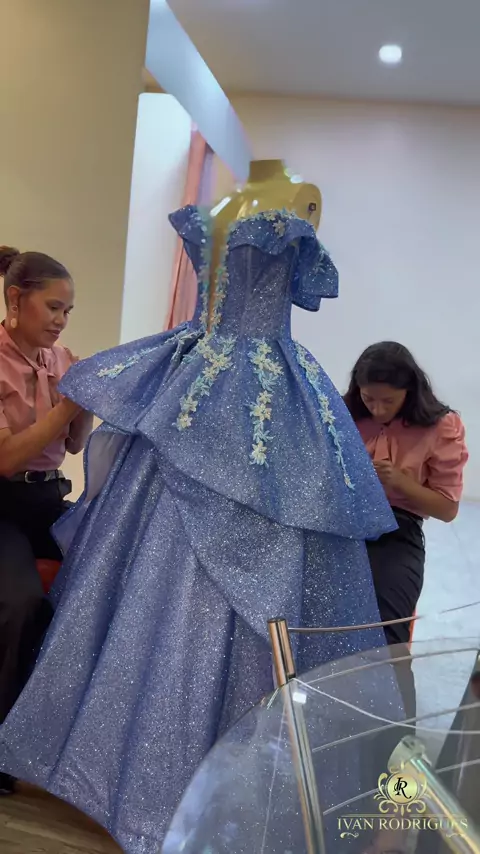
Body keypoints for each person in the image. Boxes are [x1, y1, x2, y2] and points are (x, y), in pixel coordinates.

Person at [0, 206, 402, 853]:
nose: (62, 319)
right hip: (192, 384)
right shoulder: (214, 216)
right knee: (134, 573)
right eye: (56, 307)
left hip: (249, 395)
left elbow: (306, 291)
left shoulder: (294, 204)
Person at [0, 246, 92, 795]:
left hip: (48, 499)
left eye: (68, 312)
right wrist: (65, 407)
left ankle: (61, 743)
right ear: (16, 299)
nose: (61, 321)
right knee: (20, 603)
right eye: (54, 307)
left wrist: (86, 403)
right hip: (2, 504)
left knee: (103, 579)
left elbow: (74, 444)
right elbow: (7, 458)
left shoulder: (62, 360)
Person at [345, 341, 468, 647]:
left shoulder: (440, 426)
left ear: (409, 391)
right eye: (369, 398)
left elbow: (447, 510)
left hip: (398, 527)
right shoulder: (346, 414)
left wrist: (401, 482)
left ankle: (388, 676)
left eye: (388, 401)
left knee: (387, 627)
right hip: (343, 522)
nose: (377, 409)